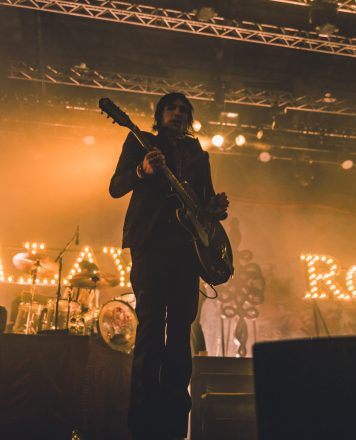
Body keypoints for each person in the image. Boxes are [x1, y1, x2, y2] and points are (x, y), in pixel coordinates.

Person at [109, 92, 229, 440]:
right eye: (171, 109)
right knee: (149, 328)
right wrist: (142, 170)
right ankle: (142, 421)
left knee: (180, 331)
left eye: (183, 110)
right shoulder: (139, 141)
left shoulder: (198, 154)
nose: (177, 114)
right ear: (159, 115)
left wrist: (215, 207)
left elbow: (204, 204)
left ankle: (175, 420)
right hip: (149, 244)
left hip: (186, 251)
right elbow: (116, 187)